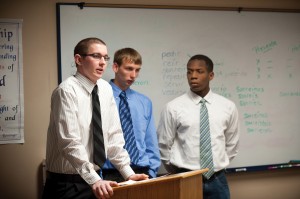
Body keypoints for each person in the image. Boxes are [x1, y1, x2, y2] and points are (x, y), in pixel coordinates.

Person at [42, 38, 148, 199]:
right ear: (78, 60)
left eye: (105, 58)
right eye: (96, 56)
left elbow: (113, 137)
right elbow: (69, 142)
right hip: (67, 185)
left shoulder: (105, 89)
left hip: (97, 181)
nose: (102, 63)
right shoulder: (66, 91)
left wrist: (128, 173)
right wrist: (94, 179)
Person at [157, 54, 239, 199]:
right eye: (189, 71)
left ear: (211, 75)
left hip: (217, 180)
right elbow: (164, 145)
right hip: (185, 176)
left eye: (199, 71)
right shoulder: (173, 107)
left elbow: (232, 144)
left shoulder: (228, 107)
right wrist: (179, 171)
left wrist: (217, 165)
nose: (193, 76)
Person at [102, 47, 160, 182]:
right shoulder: (100, 98)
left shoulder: (144, 102)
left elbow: (150, 141)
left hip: (142, 170)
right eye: (129, 69)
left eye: (137, 70)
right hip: (111, 172)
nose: (133, 75)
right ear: (115, 67)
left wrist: (152, 172)